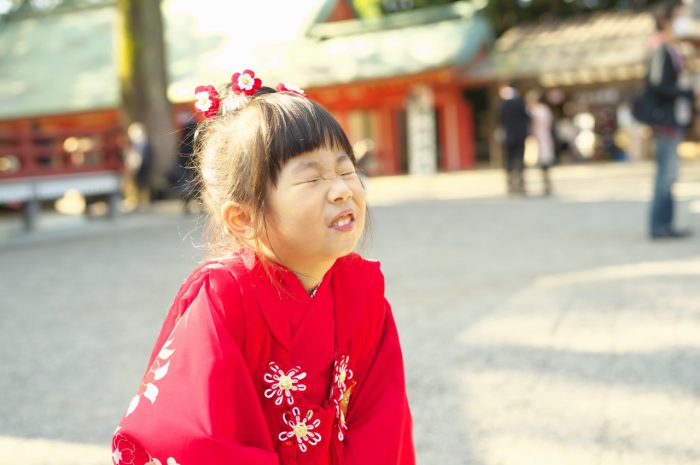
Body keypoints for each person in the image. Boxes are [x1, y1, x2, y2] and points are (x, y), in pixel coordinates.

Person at [111, 70, 415, 465]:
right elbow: (200, 439)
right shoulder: (225, 296)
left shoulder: (362, 293)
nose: (342, 188)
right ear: (244, 218)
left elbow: (382, 424)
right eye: (311, 178)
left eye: (345, 169)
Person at [645, 1, 694, 239]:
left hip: (673, 118)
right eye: (679, 16)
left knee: (670, 174)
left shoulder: (672, 48)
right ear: (666, 20)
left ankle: (666, 224)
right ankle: (659, 226)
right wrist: (687, 92)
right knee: (665, 174)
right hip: (665, 120)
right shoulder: (660, 48)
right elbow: (658, 84)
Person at [498, 82, 530, 195]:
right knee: (520, 157)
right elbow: (527, 117)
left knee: (509, 158)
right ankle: (520, 181)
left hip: (509, 136)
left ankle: (510, 181)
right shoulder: (520, 103)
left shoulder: (503, 105)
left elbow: (499, 119)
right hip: (520, 135)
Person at [527, 92, 555, 195]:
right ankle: (546, 183)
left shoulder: (534, 110)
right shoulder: (543, 109)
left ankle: (546, 183)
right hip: (540, 137)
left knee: (544, 159)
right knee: (542, 159)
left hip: (540, 136)